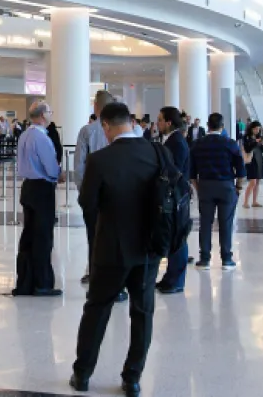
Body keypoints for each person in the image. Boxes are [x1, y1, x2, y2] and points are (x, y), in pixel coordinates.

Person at [71, 102, 158, 397]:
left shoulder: (100, 160)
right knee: (142, 312)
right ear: (131, 122)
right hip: (148, 249)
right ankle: (132, 378)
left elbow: (87, 203)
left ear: (106, 126)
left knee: (97, 308)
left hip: (110, 247)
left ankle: (82, 374)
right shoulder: (158, 153)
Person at [11, 101, 60, 297]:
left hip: (28, 187)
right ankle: (42, 282)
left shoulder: (24, 135)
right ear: (42, 115)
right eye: (49, 111)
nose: (51, 114)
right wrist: (59, 174)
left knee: (29, 236)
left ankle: (26, 281)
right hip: (42, 188)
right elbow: (50, 166)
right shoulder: (42, 138)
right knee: (42, 237)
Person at [189, 112, 245, 270]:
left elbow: (192, 172)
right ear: (222, 126)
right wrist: (238, 187)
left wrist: (198, 187)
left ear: (208, 125)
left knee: (205, 223)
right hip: (226, 186)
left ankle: (205, 258)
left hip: (206, 185)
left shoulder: (197, 144)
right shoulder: (230, 143)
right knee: (226, 223)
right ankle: (226, 259)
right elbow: (241, 169)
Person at [76, 90, 114, 286]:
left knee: (93, 235)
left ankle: (94, 272)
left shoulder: (87, 131)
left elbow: (79, 167)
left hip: (93, 194)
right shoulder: (121, 131)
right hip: (114, 196)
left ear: (95, 107)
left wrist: (84, 192)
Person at [154, 106, 190, 295]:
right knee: (171, 234)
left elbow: (174, 170)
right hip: (170, 196)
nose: (157, 123)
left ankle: (176, 280)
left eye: (160, 120)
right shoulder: (168, 140)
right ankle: (170, 277)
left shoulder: (177, 142)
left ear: (169, 122)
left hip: (177, 196)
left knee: (178, 236)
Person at [241, 121, 263, 208]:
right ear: (251, 128)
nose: (257, 130)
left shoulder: (259, 137)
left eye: (258, 129)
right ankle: (245, 201)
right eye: (255, 129)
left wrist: (262, 144)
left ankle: (254, 201)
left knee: (257, 181)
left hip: (259, 159)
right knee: (253, 181)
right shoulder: (247, 137)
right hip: (251, 160)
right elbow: (247, 149)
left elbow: (262, 150)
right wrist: (255, 142)